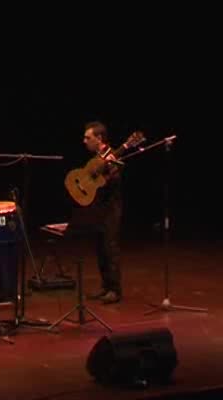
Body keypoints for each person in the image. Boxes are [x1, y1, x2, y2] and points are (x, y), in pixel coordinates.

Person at [80, 121, 123, 304]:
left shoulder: (111, 156)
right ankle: (106, 285)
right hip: (98, 208)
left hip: (110, 208)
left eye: (88, 137)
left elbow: (114, 181)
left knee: (109, 247)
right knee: (99, 247)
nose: (84, 141)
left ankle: (115, 289)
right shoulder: (98, 157)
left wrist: (107, 172)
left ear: (99, 138)